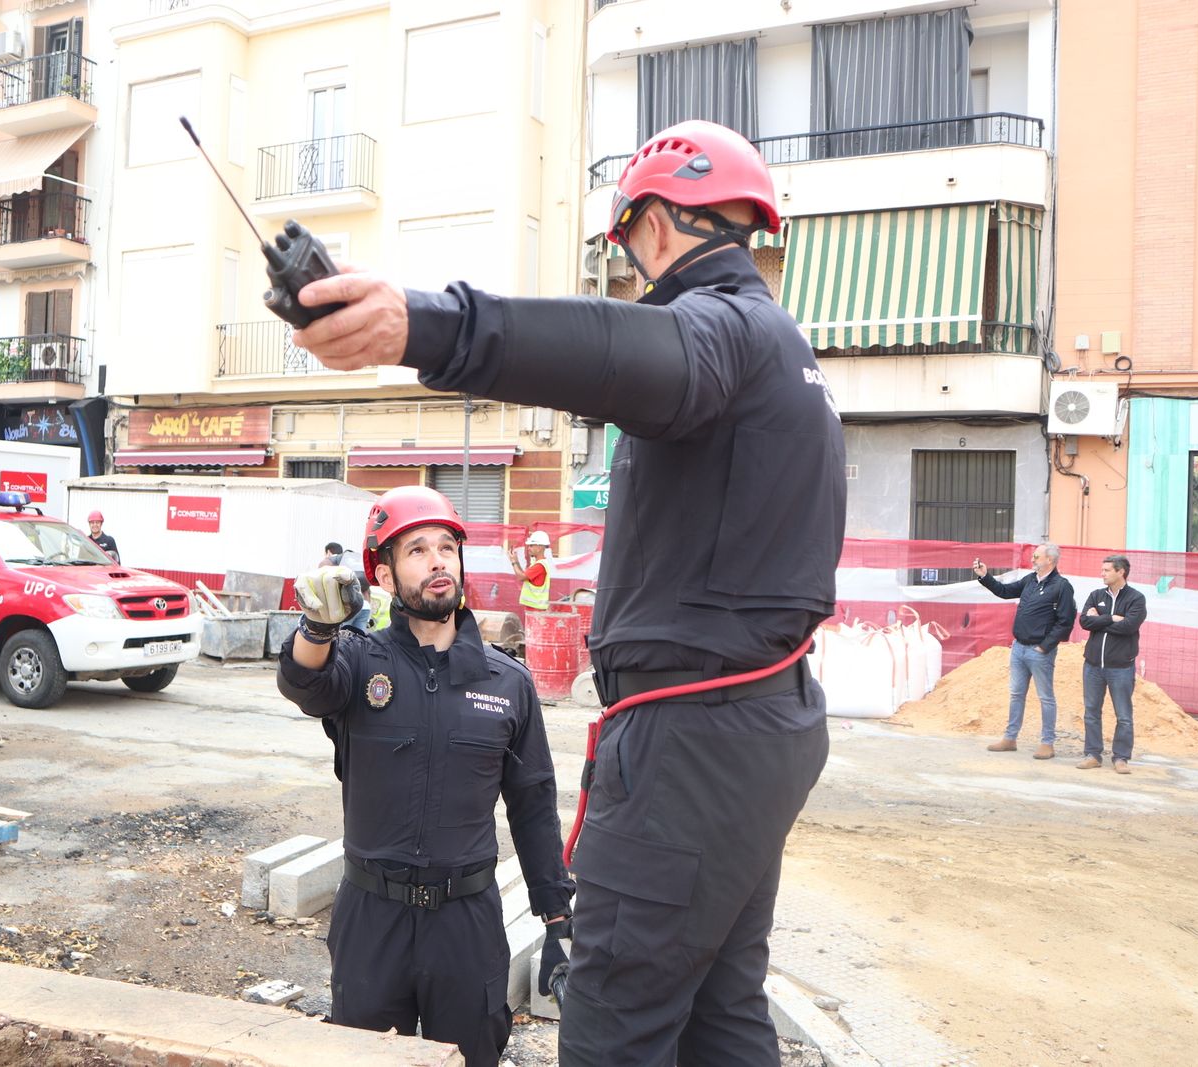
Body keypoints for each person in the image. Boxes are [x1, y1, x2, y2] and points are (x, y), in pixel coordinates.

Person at [291, 120, 843, 1067]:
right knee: (720, 1008)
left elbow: (614, 348)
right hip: (756, 729)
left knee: (615, 1014)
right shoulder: (783, 351)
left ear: (655, 227)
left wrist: (424, 325)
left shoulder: (721, 331)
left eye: (627, 245)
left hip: (691, 736)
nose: (630, 270)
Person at [276, 486, 574, 1065]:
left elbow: (534, 804)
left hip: (466, 922)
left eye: (446, 547)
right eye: (417, 550)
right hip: (371, 917)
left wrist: (557, 916)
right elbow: (304, 683)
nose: (438, 561)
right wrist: (316, 627)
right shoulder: (358, 661)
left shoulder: (506, 682)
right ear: (385, 576)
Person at [972, 543, 1077, 759]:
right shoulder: (1030, 580)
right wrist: (985, 576)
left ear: (1050, 560)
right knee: (1016, 694)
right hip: (1019, 648)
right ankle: (1010, 738)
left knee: (1045, 697)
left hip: (1040, 652)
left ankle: (1047, 743)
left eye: (1037, 556)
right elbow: (1005, 591)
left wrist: (1044, 647)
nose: (1033, 559)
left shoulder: (1062, 586)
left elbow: (1065, 622)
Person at [1075, 554, 1147, 773]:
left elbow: (1129, 626)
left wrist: (1099, 619)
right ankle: (1092, 754)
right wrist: (1112, 618)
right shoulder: (1096, 595)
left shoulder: (1136, 598)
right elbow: (1084, 621)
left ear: (1120, 572)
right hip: (1093, 665)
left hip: (1121, 667)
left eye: (1107, 570)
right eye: (1102, 570)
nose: (1102, 574)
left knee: (1123, 716)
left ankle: (1121, 757)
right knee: (1091, 712)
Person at [507, 530, 554, 612]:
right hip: (535, 608)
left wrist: (513, 562)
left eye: (531, 546)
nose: (528, 548)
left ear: (539, 548)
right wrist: (516, 561)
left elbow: (521, 577)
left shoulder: (539, 566)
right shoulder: (538, 564)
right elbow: (524, 575)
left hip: (535, 609)